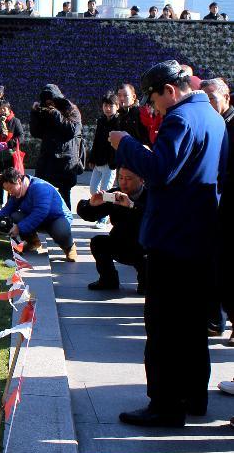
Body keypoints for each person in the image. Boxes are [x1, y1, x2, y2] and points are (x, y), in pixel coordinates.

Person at [109, 60, 227, 427]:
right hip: (199, 235)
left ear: (169, 91)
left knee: (163, 326)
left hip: (173, 237)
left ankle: (164, 404)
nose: (153, 107)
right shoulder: (213, 116)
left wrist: (126, 144)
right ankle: (194, 396)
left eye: (154, 98)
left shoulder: (181, 119)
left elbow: (160, 171)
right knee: (191, 325)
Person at [77, 167, 147, 291]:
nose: (123, 182)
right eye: (120, 178)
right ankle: (108, 280)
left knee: (146, 288)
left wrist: (132, 205)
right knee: (98, 242)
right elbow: (89, 216)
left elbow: (155, 216)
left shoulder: (151, 195)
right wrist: (91, 204)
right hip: (121, 242)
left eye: (128, 179)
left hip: (145, 248)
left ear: (141, 180)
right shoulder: (115, 195)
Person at [201, 78, 234, 343]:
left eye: (212, 98)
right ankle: (217, 319)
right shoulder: (217, 124)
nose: (209, 104)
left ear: (226, 98)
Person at [0, 168, 77, 260]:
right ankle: (33, 242)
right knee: (15, 216)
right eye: (8, 191)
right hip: (39, 220)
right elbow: (8, 209)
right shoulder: (18, 192)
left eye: (11, 188)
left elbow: (40, 212)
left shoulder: (40, 187)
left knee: (61, 231)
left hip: (57, 218)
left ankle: (69, 247)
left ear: (18, 180)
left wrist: (19, 227)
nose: (11, 192)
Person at [29, 84, 83, 208]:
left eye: (52, 101)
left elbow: (73, 131)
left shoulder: (71, 109)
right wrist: (35, 114)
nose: (49, 104)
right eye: (47, 101)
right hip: (48, 158)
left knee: (64, 194)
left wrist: (55, 114)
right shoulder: (44, 111)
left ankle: (65, 222)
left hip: (65, 160)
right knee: (42, 191)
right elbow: (36, 132)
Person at [88, 91, 121, 226]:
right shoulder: (101, 121)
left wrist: (116, 161)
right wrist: (92, 158)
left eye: (111, 106)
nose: (107, 108)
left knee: (105, 192)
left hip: (110, 163)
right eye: (105, 105)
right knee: (93, 190)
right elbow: (96, 141)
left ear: (117, 106)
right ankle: (101, 212)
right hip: (98, 162)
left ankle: (103, 216)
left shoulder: (119, 121)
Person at [0, 100, 24, 206]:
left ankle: (11, 203)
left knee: (11, 179)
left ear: (9, 109)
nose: (1, 111)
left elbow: (21, 137)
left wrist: (7, 144)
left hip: (10, 156)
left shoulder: (15, 121)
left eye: (4, 108)